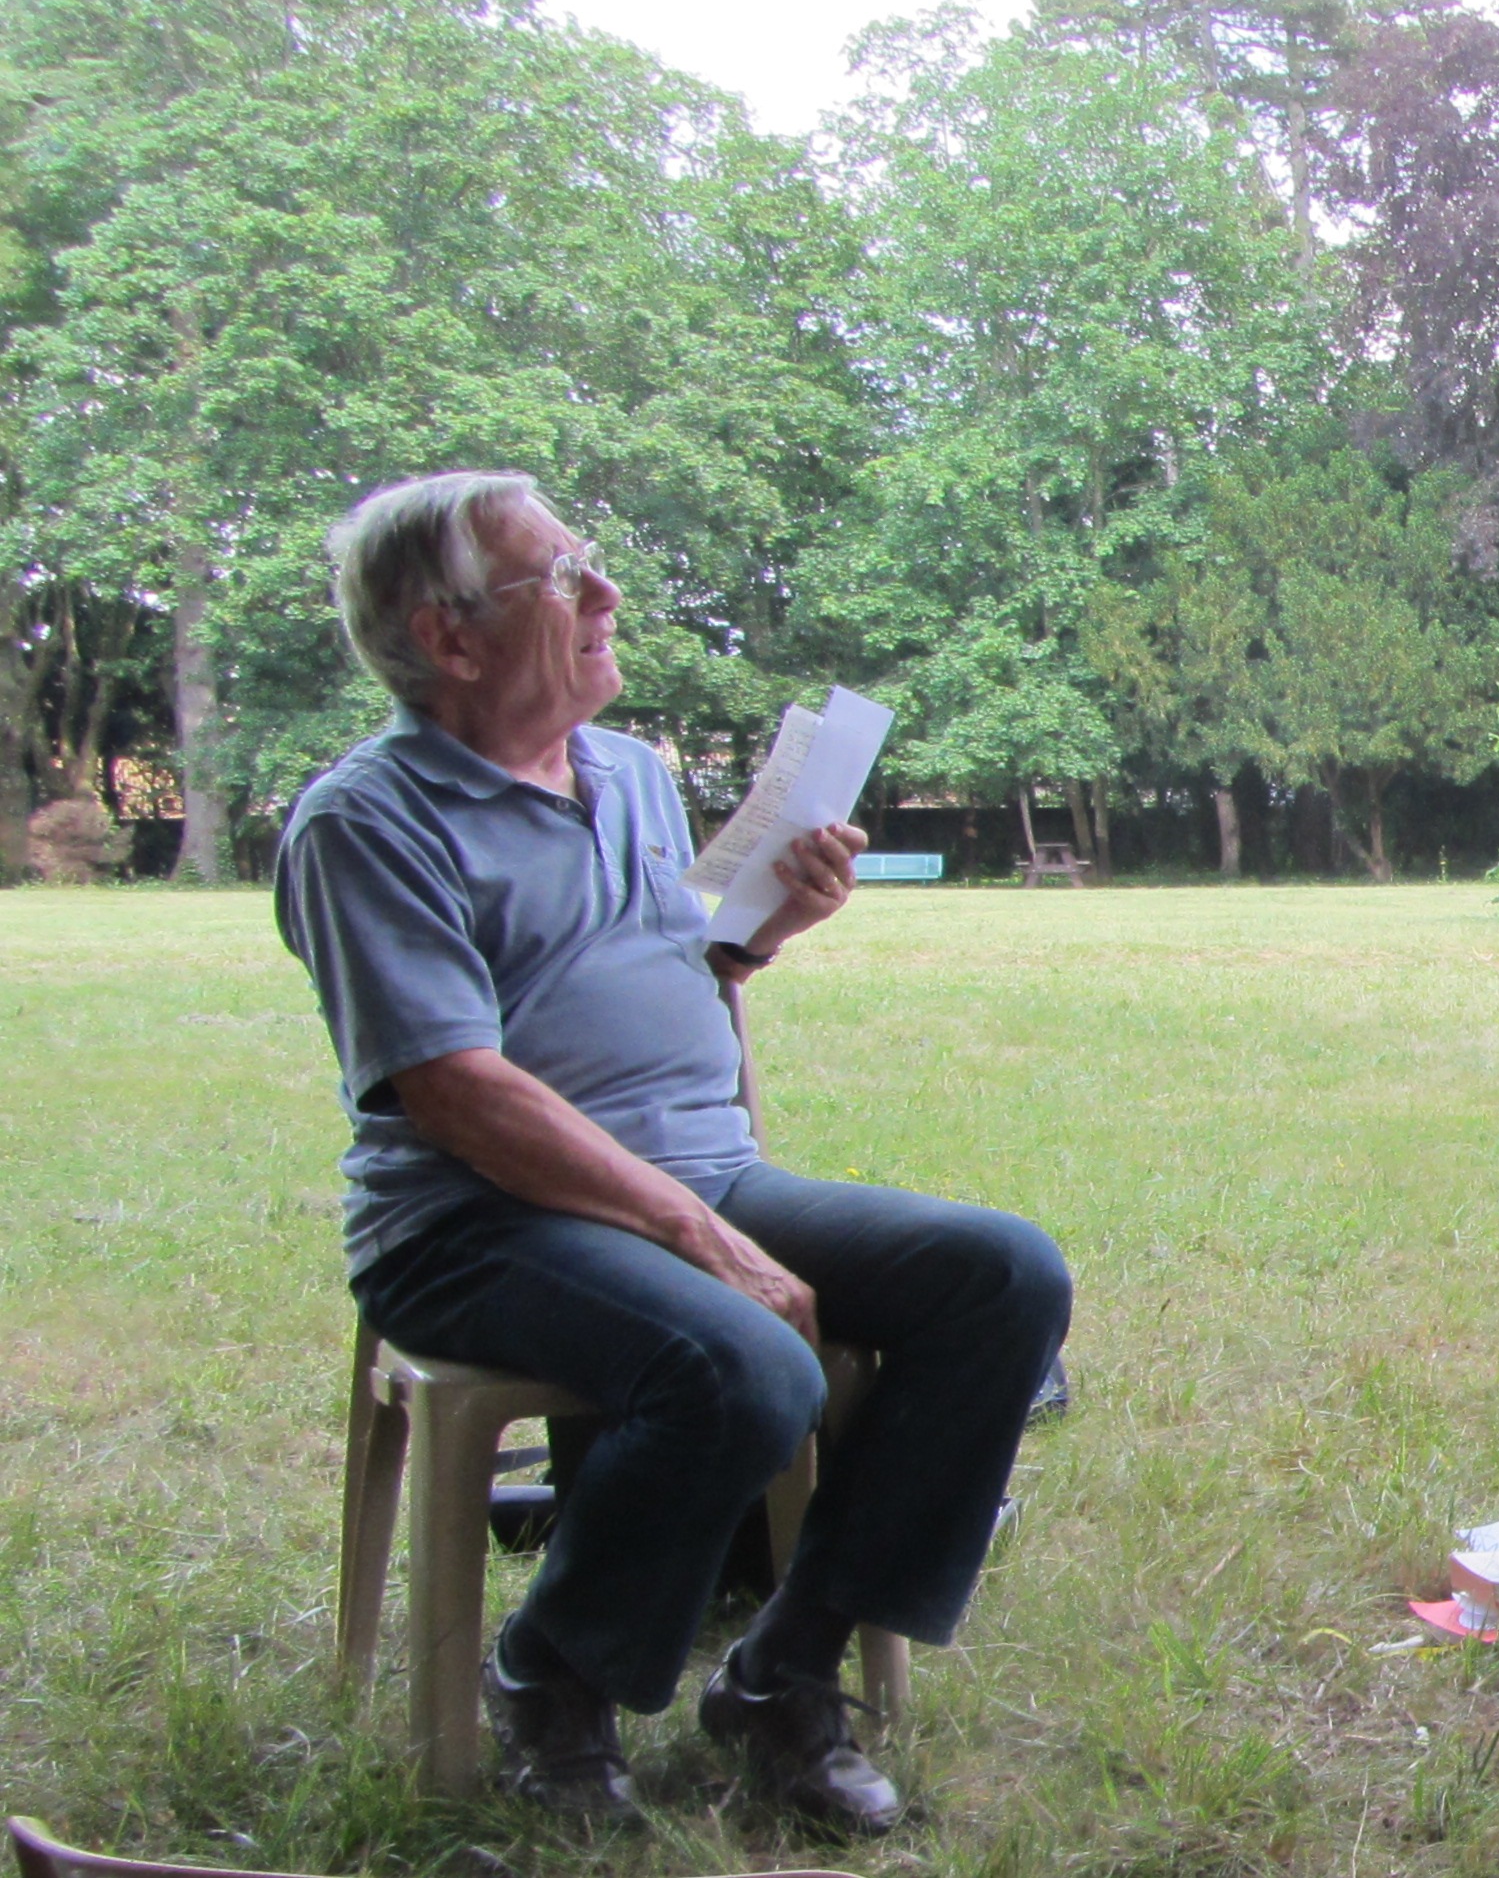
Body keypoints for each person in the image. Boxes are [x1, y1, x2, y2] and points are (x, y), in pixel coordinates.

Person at [276, 472, 1078, 1827]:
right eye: (563, 578)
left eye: (590, 563)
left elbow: (672, 964)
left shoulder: (632, 772)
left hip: (697, 1173)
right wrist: (709, 1243)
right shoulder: (365, 821)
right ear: (450, 639)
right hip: (475, 1223)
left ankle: (782, 1672)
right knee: (744, 1362)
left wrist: (764, 931)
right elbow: (460, 1092)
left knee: (1002, 1276)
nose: (607, 597)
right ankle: (550, 1678)